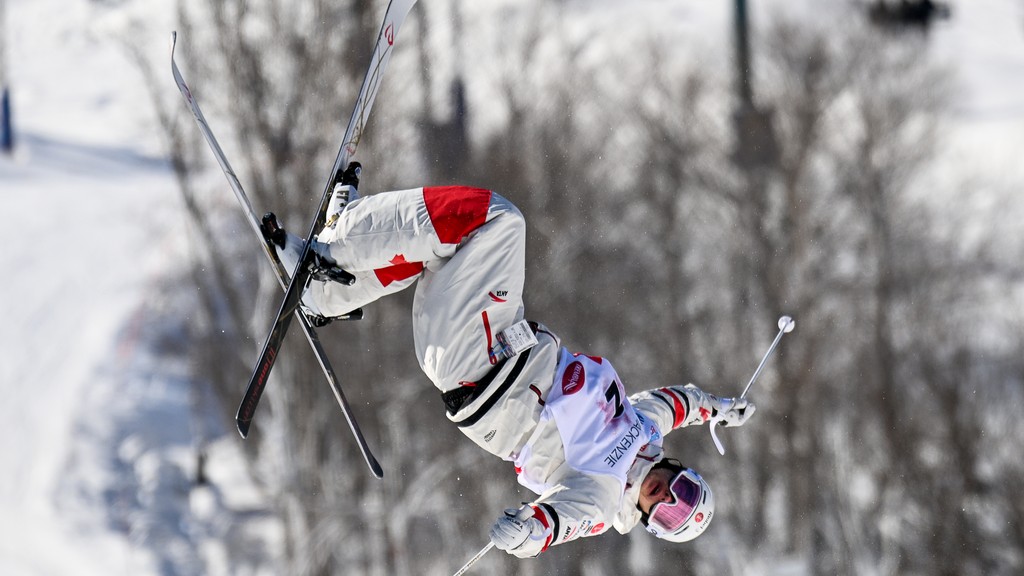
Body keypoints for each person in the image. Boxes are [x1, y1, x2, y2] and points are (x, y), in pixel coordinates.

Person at [262, 167, 756, 558]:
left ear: (651, 523)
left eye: (669, 515)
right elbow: (677, 404)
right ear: (682, 470)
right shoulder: (646, 430)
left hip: (478, 368)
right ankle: (328, 288)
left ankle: (335, 248)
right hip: (501, 336)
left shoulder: (604, 500)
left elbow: (560, 523)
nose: (666, 497)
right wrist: (717, 407)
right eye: (684, 492)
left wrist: (525, 533)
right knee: (447, 248)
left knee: (497, 221)